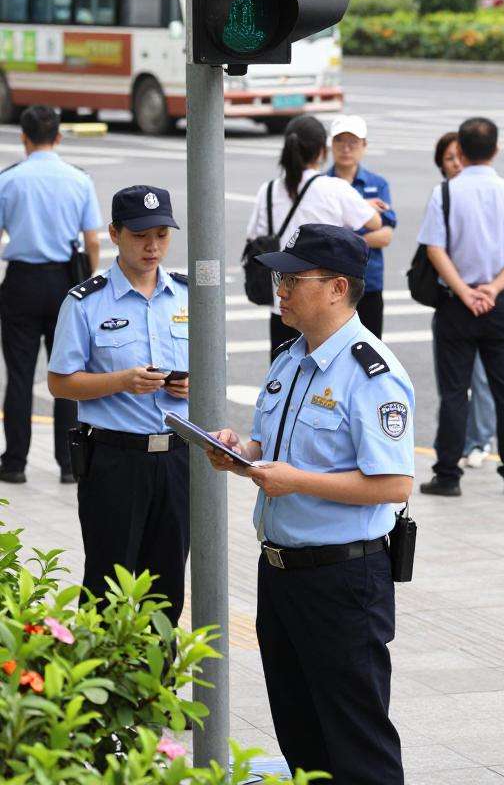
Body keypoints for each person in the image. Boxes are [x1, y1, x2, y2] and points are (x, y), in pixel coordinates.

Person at [204, 224, 414, 785]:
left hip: (344, 578)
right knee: (300, 734)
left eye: (294, 279)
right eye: (281, 277)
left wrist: (297, 481)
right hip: (280, 572)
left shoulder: (373, 373)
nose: (281, 289)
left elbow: (394, 485)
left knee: (356, 740)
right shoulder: (290, 358)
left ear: (338, 287)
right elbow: (269, 448)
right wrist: (240, 452)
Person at [47, 186, 191, 624]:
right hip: (114, 460)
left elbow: (212, 371)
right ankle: (104, 690)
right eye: (141, 235)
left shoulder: (188, 296)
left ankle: (158, 689)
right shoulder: (84, 302)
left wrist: (193, 387)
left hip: (176, 459)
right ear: (114, 233)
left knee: (166, 588)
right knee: (107, 587)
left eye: (162, 235)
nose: (153, 247)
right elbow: (59, 382)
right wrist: (121, 382)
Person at [417, 117, 504, 497]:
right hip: (500, 305)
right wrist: (495, 288)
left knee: (454, 391)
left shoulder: (446, 194)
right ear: (496, 150)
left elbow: (434, 248)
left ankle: (448, 475)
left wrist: (465, 292)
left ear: (462, 153)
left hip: (457, 303)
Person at [0, 106, 102, 484]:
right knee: (67, 374)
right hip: (64, 283)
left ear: (24, 138)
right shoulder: (78, 179)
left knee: (20, 374)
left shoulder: (8, 180)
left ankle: (14, 464)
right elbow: (92, 239)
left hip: (21, 282)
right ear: (58, 137)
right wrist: (86, 279)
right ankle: (68, 463)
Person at [246, 114, 381, 357]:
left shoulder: (267, 190)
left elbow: (254, 237)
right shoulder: (335, 188)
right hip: (323, 310)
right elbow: (374, 221)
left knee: (284, 381)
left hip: (282, 303)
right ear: (322, 151)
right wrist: (365, 203)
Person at [432, 132, 496, 469]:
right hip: (454, 299)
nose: (456, 163)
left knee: (482, 378)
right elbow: (433, 249)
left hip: (484, 297)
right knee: (453, 384)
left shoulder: (487, 195)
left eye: (459, 156)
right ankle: (453, 442)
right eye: (449, 159)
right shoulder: (443, 198)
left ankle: (480, 438)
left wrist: (484, 290)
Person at [326, 114, 396, 338]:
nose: (346, 148)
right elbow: (321, 234)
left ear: (364, 146)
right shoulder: (321, 183)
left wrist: (343, 240)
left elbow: (385, 235)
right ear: (331, 144)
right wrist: (364, 237)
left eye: (353, 143)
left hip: (369, 281)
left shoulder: (377, 184)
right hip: (328, 283)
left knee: (370, 350)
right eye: (340, 141)